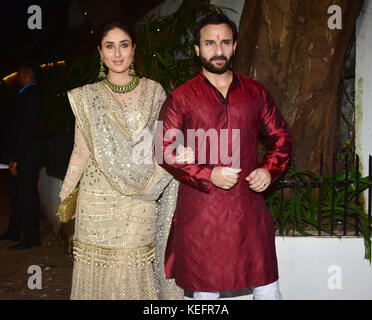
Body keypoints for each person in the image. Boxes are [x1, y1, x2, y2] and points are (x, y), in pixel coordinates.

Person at [157, 13, 293, 300]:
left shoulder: (256, 93)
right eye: (209, 43)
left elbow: (281, 137)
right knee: (205, 294)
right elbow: (163, 150)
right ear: (197, 49)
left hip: (249, 208)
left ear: (234, 47)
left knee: (268, 288)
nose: (218, 51)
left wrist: (269, 170)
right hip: (202, 212)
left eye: (225, 43)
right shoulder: (181, 97)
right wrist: (209, 175)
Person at [59, 20, 191, 300]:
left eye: (124, 45)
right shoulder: (88, 97)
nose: (117, 54)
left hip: (140, 200)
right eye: (110, 46)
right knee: (100, 273)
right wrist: (66, 193)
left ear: (134, 49)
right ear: (100, 52)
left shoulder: (155, 92)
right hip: (96, 199)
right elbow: (80, 151)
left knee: (132, 269)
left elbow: (163, 144)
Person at [0, 61, 47, 250]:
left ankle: (31, 237)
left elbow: (24, 131)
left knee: (26, 195)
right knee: (19, 194)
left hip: (26, 156)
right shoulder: (29, 95)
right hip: (26, 154)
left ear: (26, 76)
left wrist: (15, 158)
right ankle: (14, 230)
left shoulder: (30, 97)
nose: (17, 77)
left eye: (19, 74)